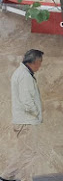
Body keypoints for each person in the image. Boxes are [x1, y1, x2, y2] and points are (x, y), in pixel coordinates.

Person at [1, 49, 44, 181]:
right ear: (35, 61)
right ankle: (26, 179)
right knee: (28, 154)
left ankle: (7, 176)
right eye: (40, 62)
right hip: (27, 121)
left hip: (23, 120)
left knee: (23, 152)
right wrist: (36, 112)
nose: (40, 65)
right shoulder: (24, 76)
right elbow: (27, 101)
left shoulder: (23, 73)